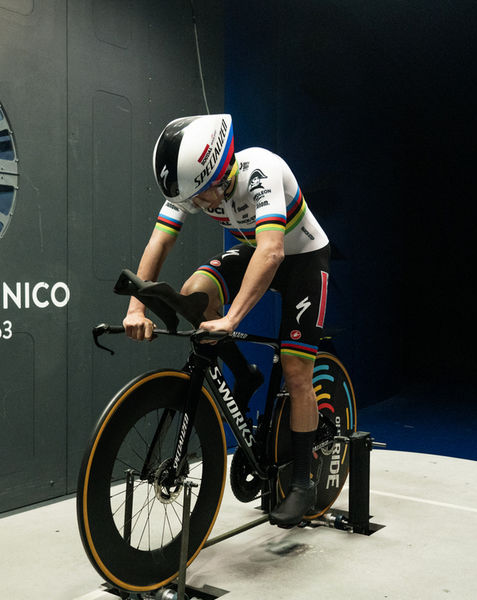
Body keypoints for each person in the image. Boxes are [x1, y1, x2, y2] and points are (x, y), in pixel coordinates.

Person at [123, 114, 331, 527]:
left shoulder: (261, 170)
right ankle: (244, 372)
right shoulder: (193, 184)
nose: (198, 207)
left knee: (295, 370)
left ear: (220, 173)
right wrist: (135, 308)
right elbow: (159, 241)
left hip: (302, 259)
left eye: (202, 198)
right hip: (255, 249)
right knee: (191, 296)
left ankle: (304, 483)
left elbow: (272, 252)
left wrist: (232, 318)